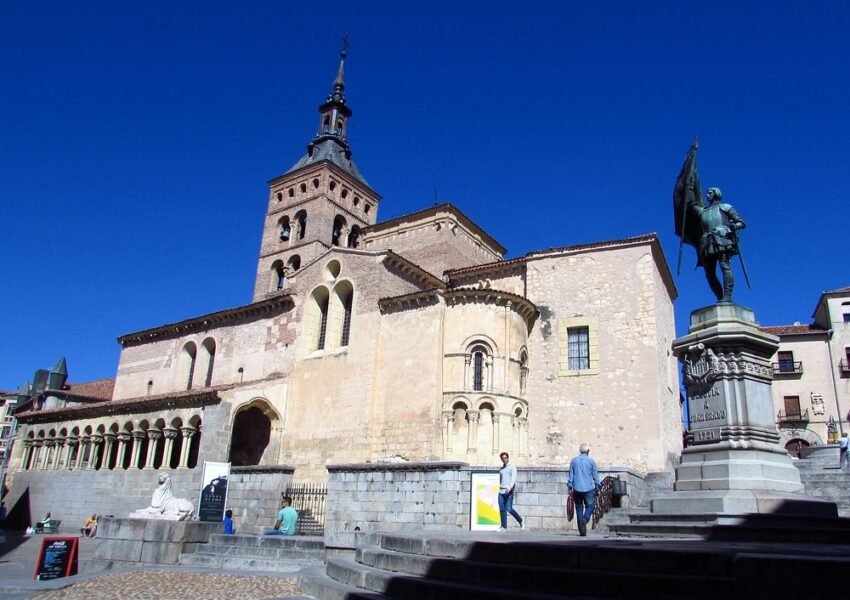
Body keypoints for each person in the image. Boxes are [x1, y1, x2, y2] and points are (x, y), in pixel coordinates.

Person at [690, 187, 746, 303]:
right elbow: (690, 204)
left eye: (710, 193)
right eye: (707, 193)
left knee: (724, 266)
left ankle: (728, 296)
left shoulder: (725, 207)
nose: (708, 195)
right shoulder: (702, 211)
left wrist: (734, 227)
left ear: (716, 194)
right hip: (706, 241)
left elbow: (740, 222)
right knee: (709, 273)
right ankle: (720, 297)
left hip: (721, 239)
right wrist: (689, 187)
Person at [568, 443, 600, 537]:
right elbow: (595, 477)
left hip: (576, 488)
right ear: (588, 451)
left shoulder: (574, 461)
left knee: (579, 507)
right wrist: (597, 486)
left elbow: (571, 476)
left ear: (580, 451)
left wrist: (570, 487)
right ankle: (585, 518)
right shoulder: (591, 462)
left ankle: (582, 531)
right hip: (588, 488)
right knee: (590, 505)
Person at [497, 451, 525, 531]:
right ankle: (504, 527)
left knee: (509, 509)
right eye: (502, 458)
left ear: (508, 458)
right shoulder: (501, 469)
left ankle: (521, 521)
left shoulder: (512, 467)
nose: (504, 459)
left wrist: (509, 487)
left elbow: (513, 478)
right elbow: (501, 480)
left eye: (505, 458)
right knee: (501, 508)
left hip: (509, 491)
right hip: (501, 491)